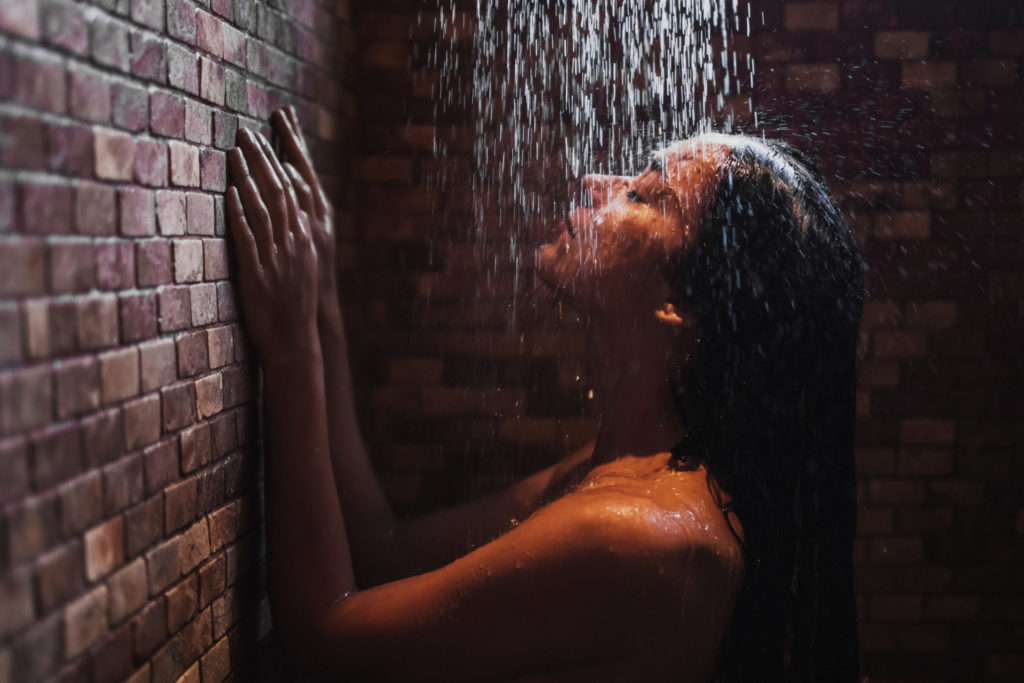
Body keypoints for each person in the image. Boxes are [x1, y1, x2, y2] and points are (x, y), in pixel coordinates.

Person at [226, 108, 866, 682]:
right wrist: (322, 311)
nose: (597, 183)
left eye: (642, 193)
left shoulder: (638, 533)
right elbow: (379, 552)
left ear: (678, 303)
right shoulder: (619, 472)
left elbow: (324, 641)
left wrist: (289, 352)